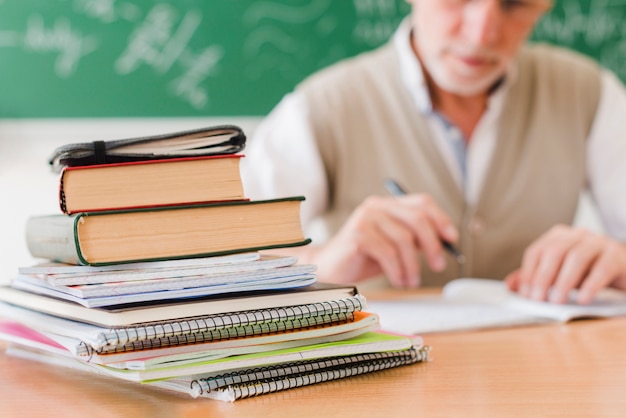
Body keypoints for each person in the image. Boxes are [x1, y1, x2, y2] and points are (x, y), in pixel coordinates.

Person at [241, 0, 626, 305]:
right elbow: (224, 271)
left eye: (514, 3)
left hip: (543, 379)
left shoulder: (590, 94)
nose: (482, 33)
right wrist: (324, 264)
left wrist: (618, 263)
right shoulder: (320, 108)